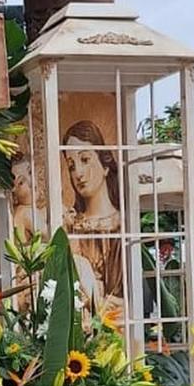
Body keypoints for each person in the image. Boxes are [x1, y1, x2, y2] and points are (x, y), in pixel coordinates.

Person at [62, 119, 125, 318]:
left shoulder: (120, 224)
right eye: (71, 166)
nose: (78, 173)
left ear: (105, 163)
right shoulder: (70, 224)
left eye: (85, 160)